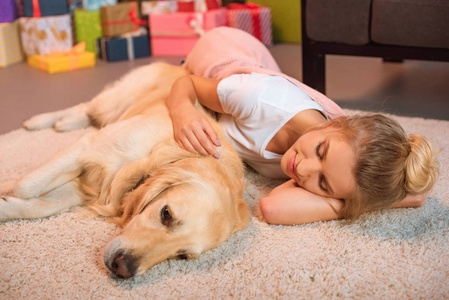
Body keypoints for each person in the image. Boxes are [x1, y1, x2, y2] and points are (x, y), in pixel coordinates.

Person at [166, 27, 440, 225]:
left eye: (324, 184)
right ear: (335, 123)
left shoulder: (339, 164)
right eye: (321, 151)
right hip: (224, 45)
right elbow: (186, 85)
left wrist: (365, 204)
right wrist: (182, 110)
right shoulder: (255, 97)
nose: (303, 169)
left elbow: (272, 208)